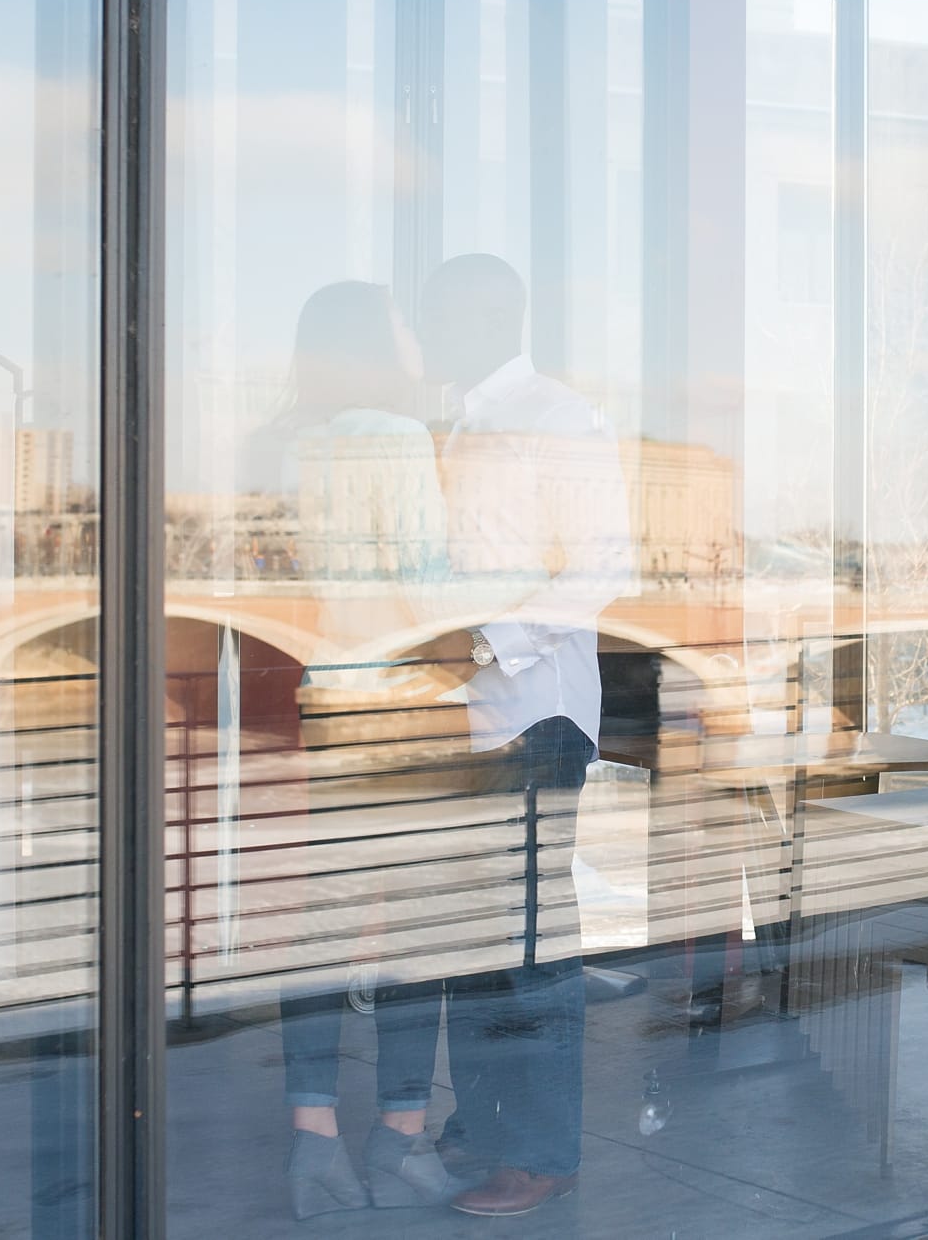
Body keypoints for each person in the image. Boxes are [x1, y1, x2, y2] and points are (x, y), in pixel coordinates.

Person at [407, 255, 634, 1218]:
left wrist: (486, 641)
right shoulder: (452, 423)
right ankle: (490, 1127)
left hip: (534, 716)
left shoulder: (558, 417)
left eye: (445, 314)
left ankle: (541, 1153)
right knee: (475, 939)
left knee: (533, 947)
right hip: (468, 722)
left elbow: (603, 565)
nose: (431, 332)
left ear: (495, 315)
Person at [253, 281, 465, 1220]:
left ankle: (312, 1140)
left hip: (318, 703)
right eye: (407, 325)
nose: (418, 339)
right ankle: (402, 1138)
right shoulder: (396, 436)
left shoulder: (275, 445)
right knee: (417, 934)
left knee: (322, 924)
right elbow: (427, 587)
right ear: (378, 346)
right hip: (402, 708)